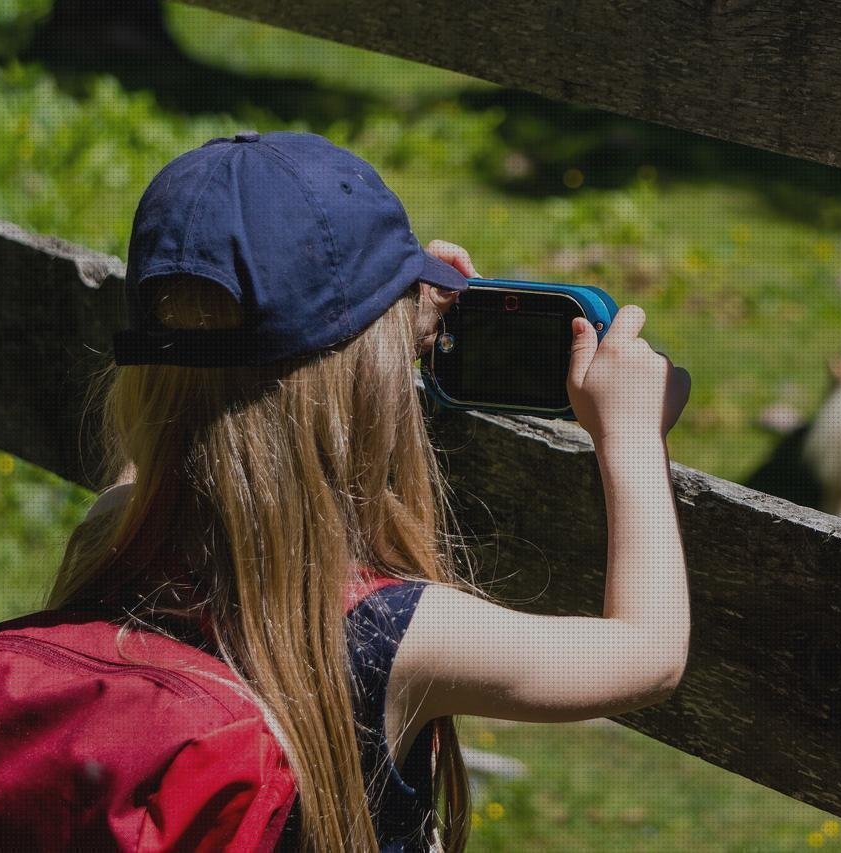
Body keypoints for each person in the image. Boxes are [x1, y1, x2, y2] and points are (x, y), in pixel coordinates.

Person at [51, 131, 691, 851]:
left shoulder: (112, 533)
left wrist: (381, 318)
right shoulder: (391, 633)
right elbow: (649, 651)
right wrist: (633, 435)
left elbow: (185, 416)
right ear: (372, 381)